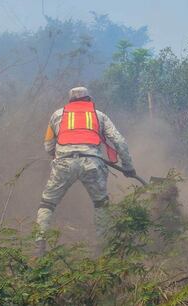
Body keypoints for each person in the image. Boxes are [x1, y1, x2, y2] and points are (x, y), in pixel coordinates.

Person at [35, 86, 133, 256]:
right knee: (101, 204)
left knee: (47, 204)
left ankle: (39, 245)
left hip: (64, 163)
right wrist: (128, 166)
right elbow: (119, 141)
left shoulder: (57, 115)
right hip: (92, 163)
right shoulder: (99, 115)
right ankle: (102, 248)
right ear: (89, 100)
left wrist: (59, 154)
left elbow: (48, 146)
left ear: (70, 101)